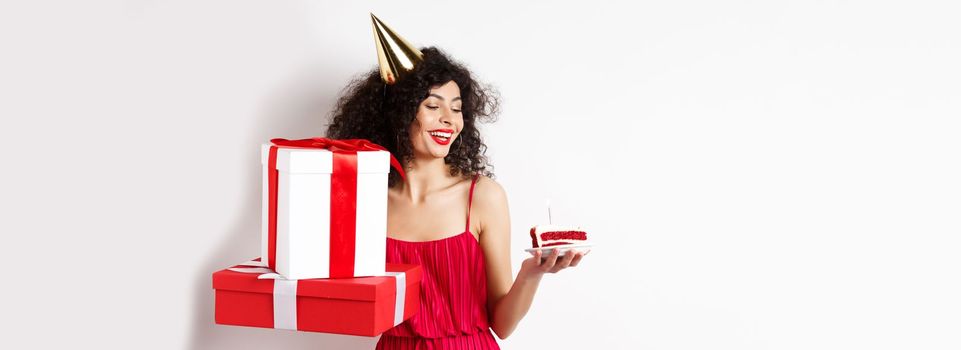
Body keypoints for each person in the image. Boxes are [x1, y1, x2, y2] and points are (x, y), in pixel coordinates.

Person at [327, 41, 585, 349]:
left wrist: (530, 274)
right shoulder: (364, 200)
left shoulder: (482, 197)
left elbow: (501, 326)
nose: (450, 119)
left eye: (457, 108)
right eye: (433, 106)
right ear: (399, 114)